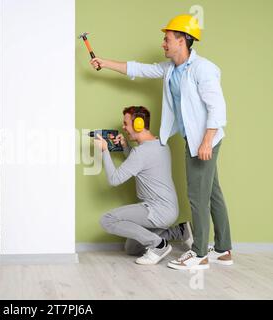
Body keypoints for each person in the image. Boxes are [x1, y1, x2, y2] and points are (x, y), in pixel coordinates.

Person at [90, 15, 233, 270]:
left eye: (167, 39)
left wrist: (207, 141)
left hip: (205, 140)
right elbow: (138, 69)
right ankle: (223, 249)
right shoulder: (170, 70)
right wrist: (105, 62)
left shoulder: (203, 68)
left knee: (197, 196)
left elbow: (217, 108)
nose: (163, 43)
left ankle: (199, 254)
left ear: (182, 40)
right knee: (213, 193)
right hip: (194, 139)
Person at [97, 106, 193, 265]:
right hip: (169, 210)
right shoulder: (161, 144)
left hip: (156, 210)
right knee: (132, 248)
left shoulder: (140, 153)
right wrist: (126, 147)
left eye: (126, 123)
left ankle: (159, 245)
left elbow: (114, 179)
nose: (123, 127)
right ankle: (178, 231)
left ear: (138, 124)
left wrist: (104, 151)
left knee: (107, 220)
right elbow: (143, 165)